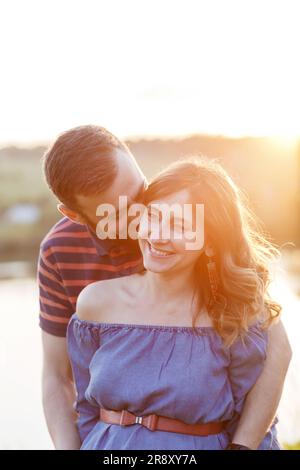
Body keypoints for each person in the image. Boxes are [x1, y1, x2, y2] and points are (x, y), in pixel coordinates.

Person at [39, 125, 291, 449]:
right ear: (74, 214)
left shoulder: (180, 206)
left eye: (139, 192)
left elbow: (274, 349)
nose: (140, 217)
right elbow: (58, 376)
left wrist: (243, 444)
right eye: (119, 211)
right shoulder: (59, 252)